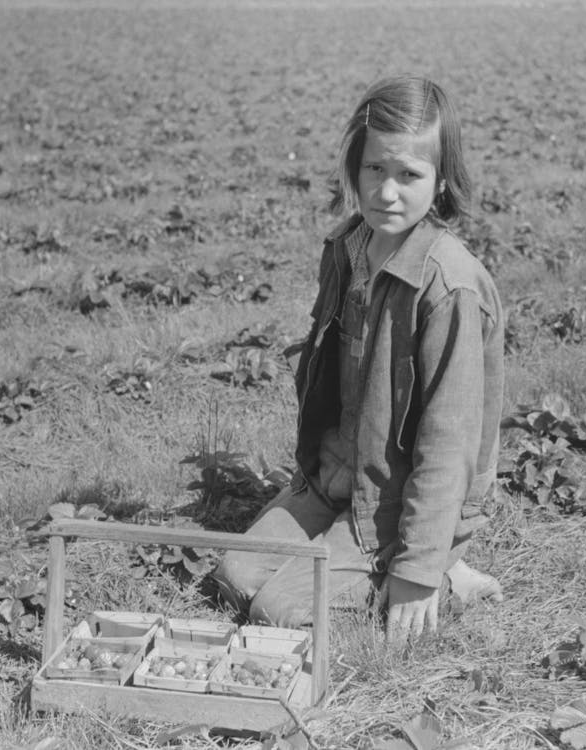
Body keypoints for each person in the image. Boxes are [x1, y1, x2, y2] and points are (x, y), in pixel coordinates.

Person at [213, 76, 504, 642]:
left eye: (409, 175)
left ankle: (443, 573)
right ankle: (358, 549)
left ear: (440, 180)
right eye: (375, 169)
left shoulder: (449, 288)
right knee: (235, 574)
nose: (387, 192)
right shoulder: (348, 250)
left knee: (278, 611)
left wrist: (416, 573)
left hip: (395, 505)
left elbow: (450, 440)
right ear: (355, 166)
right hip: (334, 479)